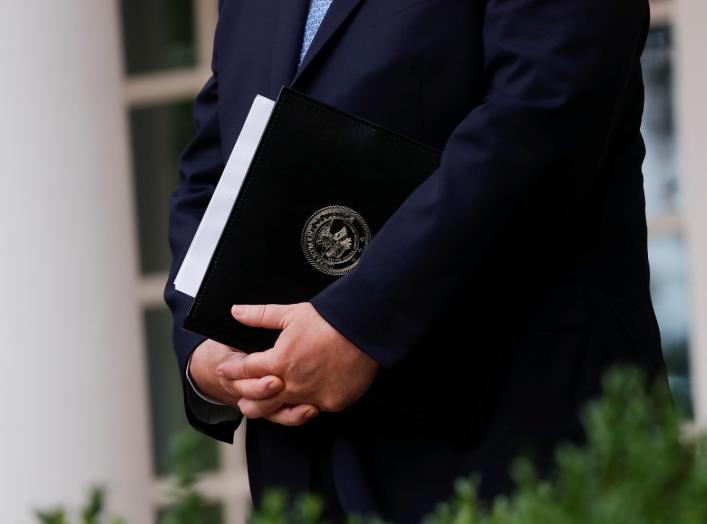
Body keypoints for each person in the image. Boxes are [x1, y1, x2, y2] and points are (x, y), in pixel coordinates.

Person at [165, 0, 667, 521]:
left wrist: (359, 322)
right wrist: (206, 344)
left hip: (517, 434)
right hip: (300, 465)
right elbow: (215, 166)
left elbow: (543, 118)